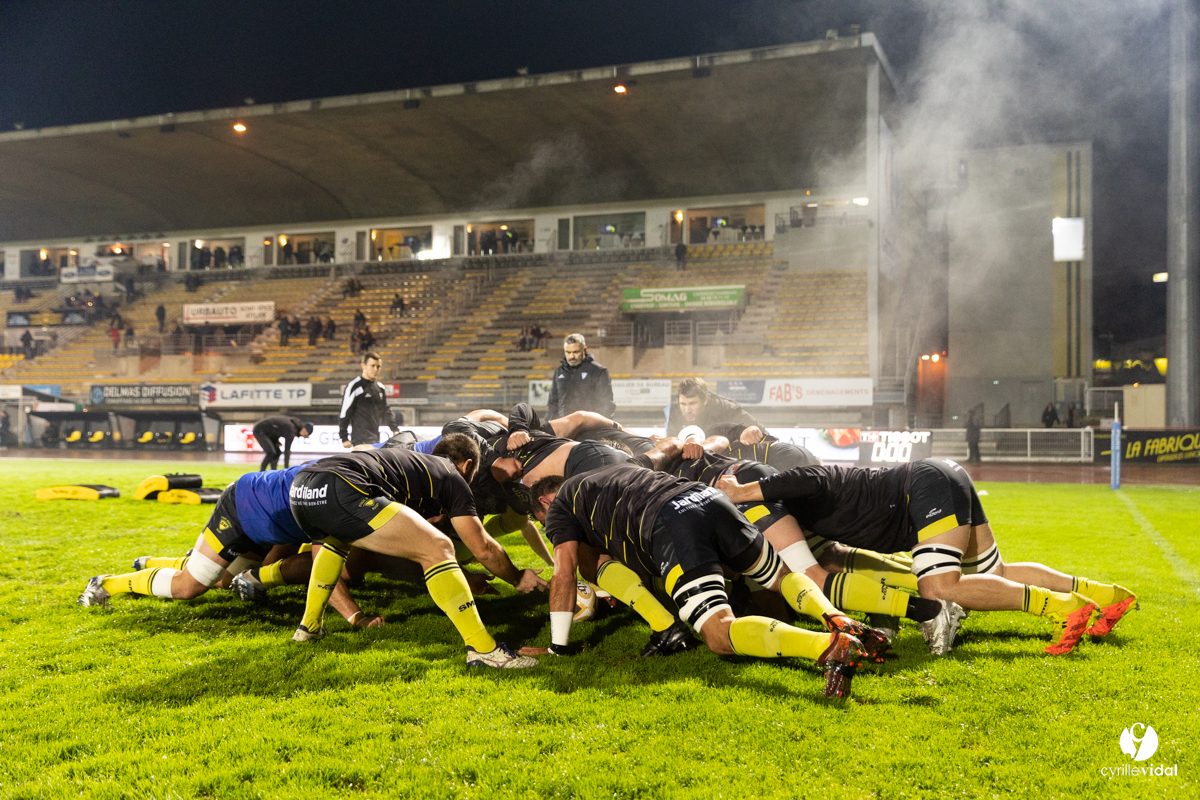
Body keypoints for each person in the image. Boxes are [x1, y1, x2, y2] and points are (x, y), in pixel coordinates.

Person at [717, 457, 1137, 655]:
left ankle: (1063, 608)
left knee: (939, 586)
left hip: (923, 488)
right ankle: (1104, 594)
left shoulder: (798, 484)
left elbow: (809, 476)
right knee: (997, 571)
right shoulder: (804, 512)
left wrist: (740, 493)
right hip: (941, 475)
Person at [526, 465, 872, 698]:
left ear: (544, 502)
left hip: (672, 521)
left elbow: (564, 571)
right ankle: (838, 618)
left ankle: (827, 646)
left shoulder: (560, 508)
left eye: (542, 521)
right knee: (780, 577)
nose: (548, 527)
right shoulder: (609, 474)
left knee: (719, 633)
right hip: (709, 499)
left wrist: (558, 646)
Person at [286, 441, 545, 669]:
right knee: (439, 546)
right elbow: (484, 549)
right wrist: (517, 576)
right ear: (467, 465)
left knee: (336, 542)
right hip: (341, 487)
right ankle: (484, 649)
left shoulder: (414, 464)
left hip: (303, 488)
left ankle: (309, 627)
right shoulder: (452, 475)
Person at [77, 465, 382, 629]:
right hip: (243, 508)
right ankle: (105, 584)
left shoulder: (360, 479)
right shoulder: (343, 493)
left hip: (272, 520)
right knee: (190, 586)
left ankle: (160, 561)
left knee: (222, 581)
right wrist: (356, 617)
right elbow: (322, 565)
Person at [666, 377, 764, 444]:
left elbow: (761, 432)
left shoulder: (726, 409)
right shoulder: (675, 411)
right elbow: (671, 440)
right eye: (683, 404)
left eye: (692, 404)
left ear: (705, 400)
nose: (687, 410)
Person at [546, 334, 616, 421]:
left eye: (576, 352)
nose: (572, 356)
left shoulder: (598, 371)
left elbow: (606, 404)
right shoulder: (559, 372)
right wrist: (548, 426)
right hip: (565, 428)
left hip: (589, 429)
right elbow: (553, 404)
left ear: (585, 350)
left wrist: (601, 427)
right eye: (568, 352)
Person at [339, 351, 392, 448]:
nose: (376, 369)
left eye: (378, 366)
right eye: (372, 366)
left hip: (375, 438)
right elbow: (345, 412)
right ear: (363, 366)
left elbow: (385, 410)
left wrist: (394, 428)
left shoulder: (380, 387)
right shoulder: (354, 386)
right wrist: (344, 437)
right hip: (360, 439)